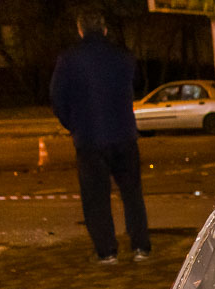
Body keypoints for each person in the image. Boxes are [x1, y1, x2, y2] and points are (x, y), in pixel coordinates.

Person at [50, 10, 150, 264]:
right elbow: (135, 86)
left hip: (89, 139)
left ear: (80, 30)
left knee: (96, 197)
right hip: (125, 136)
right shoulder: (124, 57)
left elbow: (57, 98)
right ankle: (140, 246)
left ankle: (107, 251)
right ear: (105, 30)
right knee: (132, 193)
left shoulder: (68, 59)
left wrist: (73, 125)